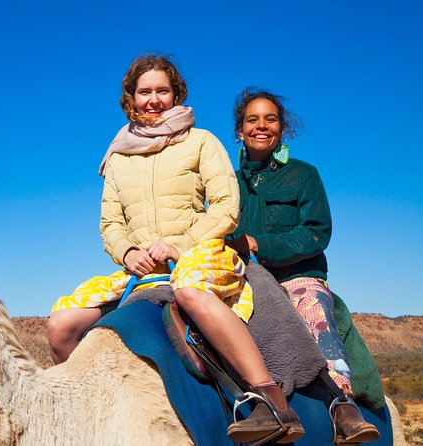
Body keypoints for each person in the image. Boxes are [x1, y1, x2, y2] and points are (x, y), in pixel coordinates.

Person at [47, 56, 304, 444]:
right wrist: (128, 252)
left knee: (191, 291)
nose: (154, 100)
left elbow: (225, 206)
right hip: (141, 267)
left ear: (176, 94)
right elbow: (110, 224)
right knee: (60, 323)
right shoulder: (117, 157)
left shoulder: (201, 141)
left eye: (162, 91)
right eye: (145, 92)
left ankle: (271, 400)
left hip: (197, 253)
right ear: (131, 98)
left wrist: (180, 244)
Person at [226, 88, 380, 443]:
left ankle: (343, 405)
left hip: (299, 275)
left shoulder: (303, 174)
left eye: (271, 119)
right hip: (246, 278)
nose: (261, 126)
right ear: (240, 129)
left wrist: (258, 244)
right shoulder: (227, 183)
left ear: (282, 129)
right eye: (252, 119)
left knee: (314, 313)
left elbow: (316, 232)